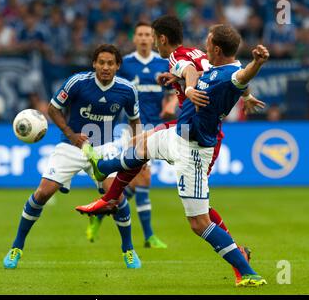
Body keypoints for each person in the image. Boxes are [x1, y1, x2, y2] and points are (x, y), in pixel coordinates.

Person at [77, 16, 265, 285]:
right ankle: (108, 188)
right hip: (181, 131)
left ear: (161, 39)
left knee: (199, 221)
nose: (204, 44)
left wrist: (186, 85)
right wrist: (178, 80)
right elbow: (228, 77)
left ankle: (245, 270)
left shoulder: (182, 56)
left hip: (195, 145)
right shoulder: (206, 59)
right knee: (140, 146)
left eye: (153, 38)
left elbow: (204, 74)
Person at [3, 44, 142, 269]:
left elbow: (135, 121)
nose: (105, 67)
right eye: (101, 62)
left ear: (117, 66)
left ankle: (128, 250)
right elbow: (53, 109)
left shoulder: (127, 90)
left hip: (105, 147)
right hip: (71, 146)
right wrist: (71, 134)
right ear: (94, 64)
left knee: (116, 196)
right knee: (43, 193)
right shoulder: (78, 82)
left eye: (110, 63)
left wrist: (138, 152)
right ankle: (16, 247)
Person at [85, 21, 176, 248]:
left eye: (148, 35)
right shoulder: (125, 65)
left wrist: (171, 104)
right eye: (140, 35)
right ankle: (149, 237)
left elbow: (176, 90)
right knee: (144, 179)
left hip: (156, 129)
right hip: (131, 131)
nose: (144, 38)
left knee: (134, 185)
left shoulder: (162, 63)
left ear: (153, 38)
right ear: (134, 39)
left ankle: (101, 213)